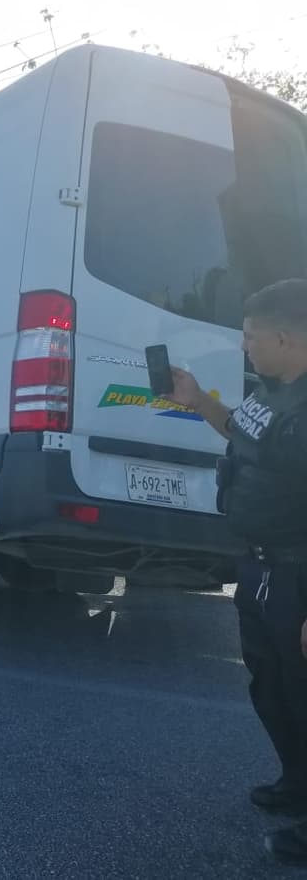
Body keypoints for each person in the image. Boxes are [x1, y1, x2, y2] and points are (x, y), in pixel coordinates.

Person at [169, 278, 307, 866]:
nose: (244, 347)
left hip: (297, 574)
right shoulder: (272, 391)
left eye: (251, 337)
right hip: (256, 568)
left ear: (283, 335)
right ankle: (298, 781)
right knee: (273, 688)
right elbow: (242, 433)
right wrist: (199, 400)